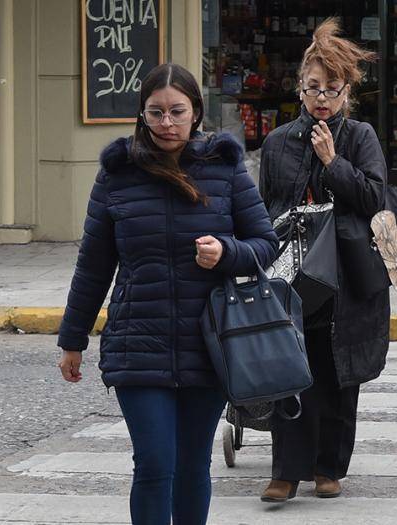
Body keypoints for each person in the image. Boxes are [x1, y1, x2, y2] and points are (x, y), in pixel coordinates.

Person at [56, 63, 277, 525]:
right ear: (142, 113)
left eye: (176, 111)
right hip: (139, 341)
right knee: (155, 464)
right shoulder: (118, 174)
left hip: (210, 342)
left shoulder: (225, 169)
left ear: (196, 112)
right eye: (155, 113)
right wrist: (72, 339)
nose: (166, 123)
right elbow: (94, 264)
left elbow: (266, 245)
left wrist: (227, 252)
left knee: (193, 465)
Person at [257, 18, 388, 503]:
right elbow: (264, 206)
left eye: (332, 90)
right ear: (300, 88)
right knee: (290, 368)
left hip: (346, 275)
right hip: (292, 272)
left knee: (338, 372)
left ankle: (328, 467)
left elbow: (375, 198)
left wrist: (334, 163)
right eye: (313, 89)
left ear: (347, 92)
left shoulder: (359, 137)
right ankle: (285, 471)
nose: (322, 100)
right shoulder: (277, 143)